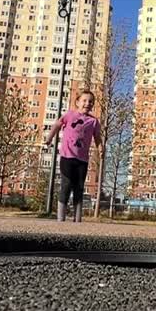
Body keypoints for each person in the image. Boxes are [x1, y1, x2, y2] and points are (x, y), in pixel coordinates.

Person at [45, 90, 102, 223]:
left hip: (82, 160)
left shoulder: (93, 121)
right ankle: (61, 218)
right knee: (66, 184)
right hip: (67, 157)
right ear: (77, 102)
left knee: (79, 187)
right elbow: (56, 126)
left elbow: (98, 138)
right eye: (84, 100)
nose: (87, 103)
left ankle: (77, 219)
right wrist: (49, 138)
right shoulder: (70, 115)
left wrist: (101, 149)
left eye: (90, 102)